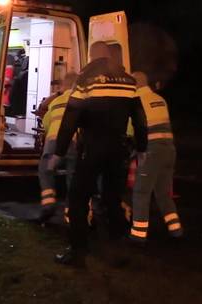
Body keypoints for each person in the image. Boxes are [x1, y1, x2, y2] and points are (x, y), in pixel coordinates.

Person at [48, 41, 148, 267]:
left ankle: (78, 251)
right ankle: (119, 249)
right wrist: (142, 149)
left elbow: (70, 118)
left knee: (78, 198)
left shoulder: (85, 80)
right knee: (113, 199)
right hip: (118, 150)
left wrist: (59, 152)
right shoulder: (130, 82)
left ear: (92, 56)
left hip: (92, 148)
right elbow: (141, 121)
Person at [129, 72, 182, 245]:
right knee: (163, 193)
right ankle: (176, 230)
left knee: (141, 192)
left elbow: (134, 128)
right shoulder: (159, 99)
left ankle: (138, 235)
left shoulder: (136, 100)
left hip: (152, 151)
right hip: (169, 150)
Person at [36, 72, 78, 224]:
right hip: (73, 142)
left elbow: (46, 124)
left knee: (45, 170)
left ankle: (48, 203)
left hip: (53, 142)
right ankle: (71, 212)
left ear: (63, 86)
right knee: (72, 176)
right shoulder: (80, 100)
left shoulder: (56, 102)